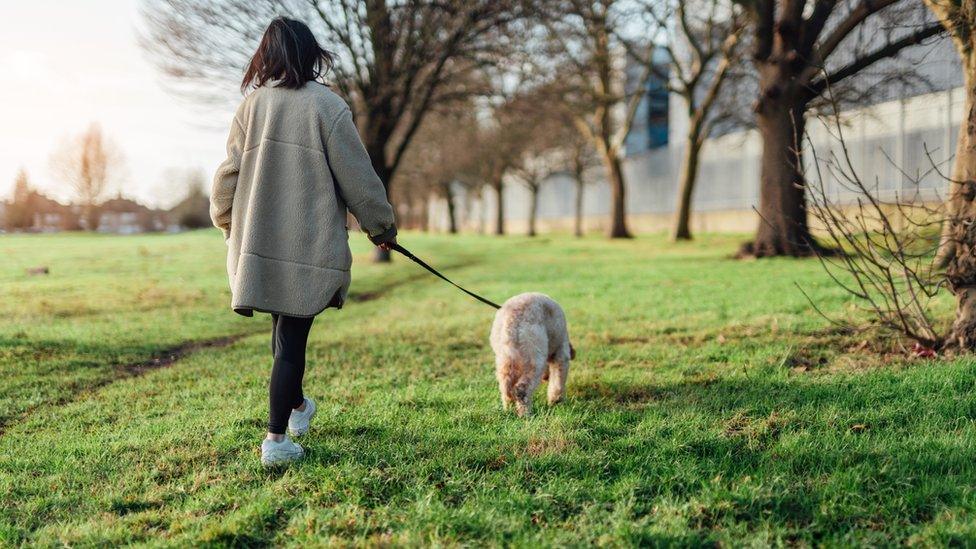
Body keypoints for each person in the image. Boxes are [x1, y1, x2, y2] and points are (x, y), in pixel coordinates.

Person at [210, 17, 397, 467]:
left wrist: (226, 223)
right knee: (291, 342)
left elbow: (226, 178)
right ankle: (276, 440)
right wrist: (381, 226)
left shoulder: (250, 107)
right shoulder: (326, 106)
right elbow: (358, 176)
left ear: (267, 57)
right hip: (307, 246)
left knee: (283, 336)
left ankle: (297, 409)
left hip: (258, 245)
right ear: (311, 54)